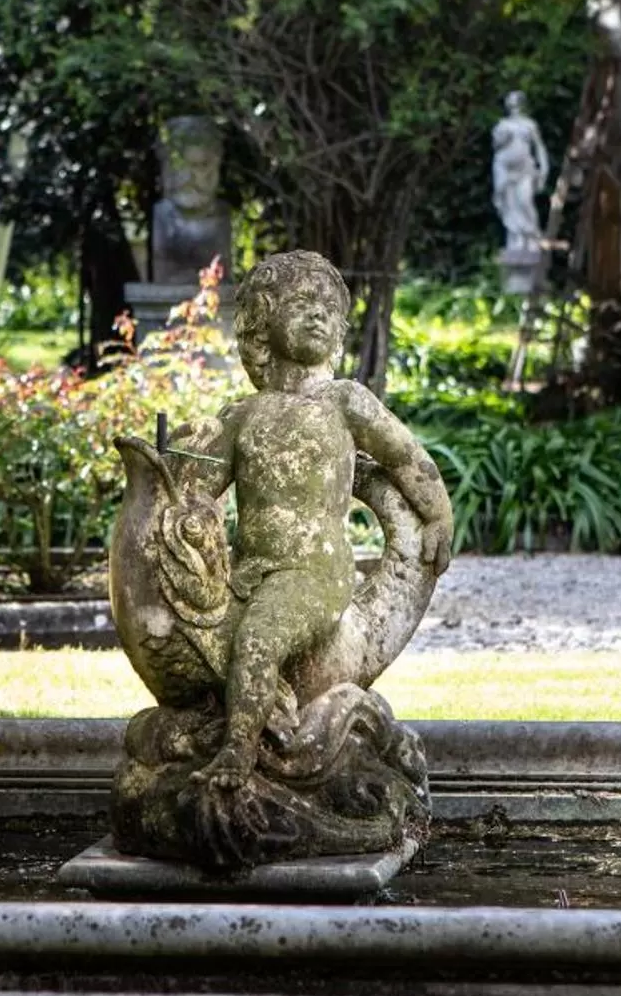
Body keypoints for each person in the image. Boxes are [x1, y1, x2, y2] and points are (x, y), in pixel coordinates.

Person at [170, 252, 454, 792]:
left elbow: (407, 458)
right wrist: (176, 465)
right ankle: (234, 730)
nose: (319, 314)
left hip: (314, 575)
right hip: (248, 575)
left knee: (256, 642)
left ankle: (237, 756)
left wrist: (438, 512)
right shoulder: (243, 416)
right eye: (304, 303)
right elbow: (193, 498)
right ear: (262, 318)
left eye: (329, 307)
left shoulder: (344, 401)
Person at [490, 91, 550, 252]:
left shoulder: (529, 125)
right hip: (505, 170)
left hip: (525, 170)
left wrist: (544, 169)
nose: (514, 107)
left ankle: (530, 236)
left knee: (524, 202)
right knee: (510, 205)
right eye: (511, 104)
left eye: (517, 103)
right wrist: (503, 138)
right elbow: (496, 147)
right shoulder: (502, 125)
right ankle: (515, 237)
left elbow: (539, 148)